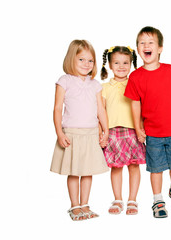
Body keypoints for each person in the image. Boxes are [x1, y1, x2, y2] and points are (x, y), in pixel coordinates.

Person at [124, 26, 171, 218]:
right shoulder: (135, 77)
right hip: (152, 133)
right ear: (138, 49)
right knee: (156, 168)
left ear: (160, 48)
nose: (146, 46)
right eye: (142, 43)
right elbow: (135, 105)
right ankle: (157, 199)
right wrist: (138, 128)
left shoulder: (169, 70)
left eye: (150, 42)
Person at [50, 40, 109, 221]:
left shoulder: (95, 84)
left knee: (88, 171)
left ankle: (85, 204)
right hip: (72, 133)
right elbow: (57, 108)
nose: (86, 64)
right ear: (71, 59)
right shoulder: (64, 81)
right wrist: (59, 133)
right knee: (74, 171)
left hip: (91, 133)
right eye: (81, 60)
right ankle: (74, 205)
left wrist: (105, 131)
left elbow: (100, 109)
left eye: (90, 61)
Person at [100, 46, 146, 215]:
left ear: (131, 64)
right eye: (116, 62)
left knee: (134, 166)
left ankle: (132, 199)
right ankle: (118, 199)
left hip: (132, 131)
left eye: (125, 62)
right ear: (110, 65)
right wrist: (102, 132)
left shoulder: (135, 84)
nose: (121, 66)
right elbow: (101, 111)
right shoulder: (103, 87)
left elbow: (141, 107)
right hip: (112, 132)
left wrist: (141, 128)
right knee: (116, 167)